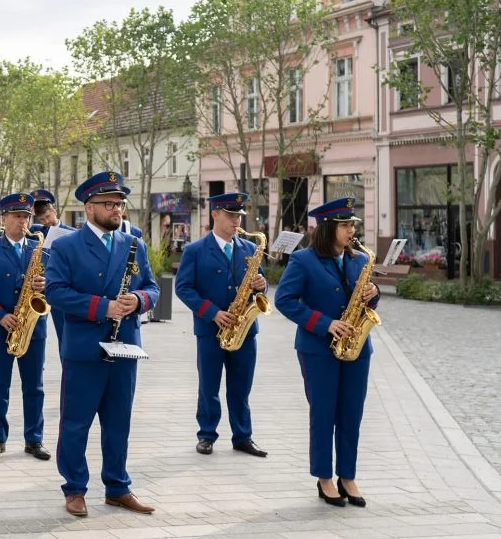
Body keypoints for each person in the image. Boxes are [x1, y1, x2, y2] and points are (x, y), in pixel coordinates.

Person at [45, 171, 160, 517]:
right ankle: (75, 488)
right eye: (109, 203)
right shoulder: (66, 245)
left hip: (124, 345)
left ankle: (117, 486)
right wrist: (103, 307)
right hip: (85, 347)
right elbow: (55, 291)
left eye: (120, 203)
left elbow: (152, 286)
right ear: (89, 207)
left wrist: (138, 300)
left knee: (119, 421)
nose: (117, 209)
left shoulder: (133, 244)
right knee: (76, 422)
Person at [275, 197, 379, 508]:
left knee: (352, 414)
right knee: (323, 414)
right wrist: (325, 323)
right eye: (346, 225)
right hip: (318, 349)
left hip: (357, 349)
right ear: (329, 228)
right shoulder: (303, 260)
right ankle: (324, 478)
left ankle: (348, 476)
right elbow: (285, 300)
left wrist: (373, 296)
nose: (352, 230)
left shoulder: (360, 259)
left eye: (353, 225)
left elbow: (364, 301)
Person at [174, 192, 269, 458]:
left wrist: (262, 286)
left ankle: (243, 436)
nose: (236, 220)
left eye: (239, 215)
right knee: (209, 386)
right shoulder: (195, 250)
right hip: (210, 331)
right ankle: (207, 435)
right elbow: (183, 288)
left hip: (245, 331)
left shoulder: (250, 249)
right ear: (214, 214)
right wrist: (212, 313)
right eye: (230, 215)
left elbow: (259, 286)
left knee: (241, 387)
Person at [0, 193, 51, 461]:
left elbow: (56, 287)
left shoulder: (40, 249)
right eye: (17, 216)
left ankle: (34, 439)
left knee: (34, 386)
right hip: (1, 327)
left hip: (33, 327)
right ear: (3, 219)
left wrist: (45, 286)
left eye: (26, 216)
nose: (23, 221)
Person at [30, 189, 72, 349]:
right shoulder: (35, 231)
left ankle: (67, 368)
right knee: (37, 332)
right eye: (42, 219)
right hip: (40, 288)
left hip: (62, 287)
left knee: (65, 333)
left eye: (48, 217)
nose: (46, 221)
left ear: (54, 211)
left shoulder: (72, 233)